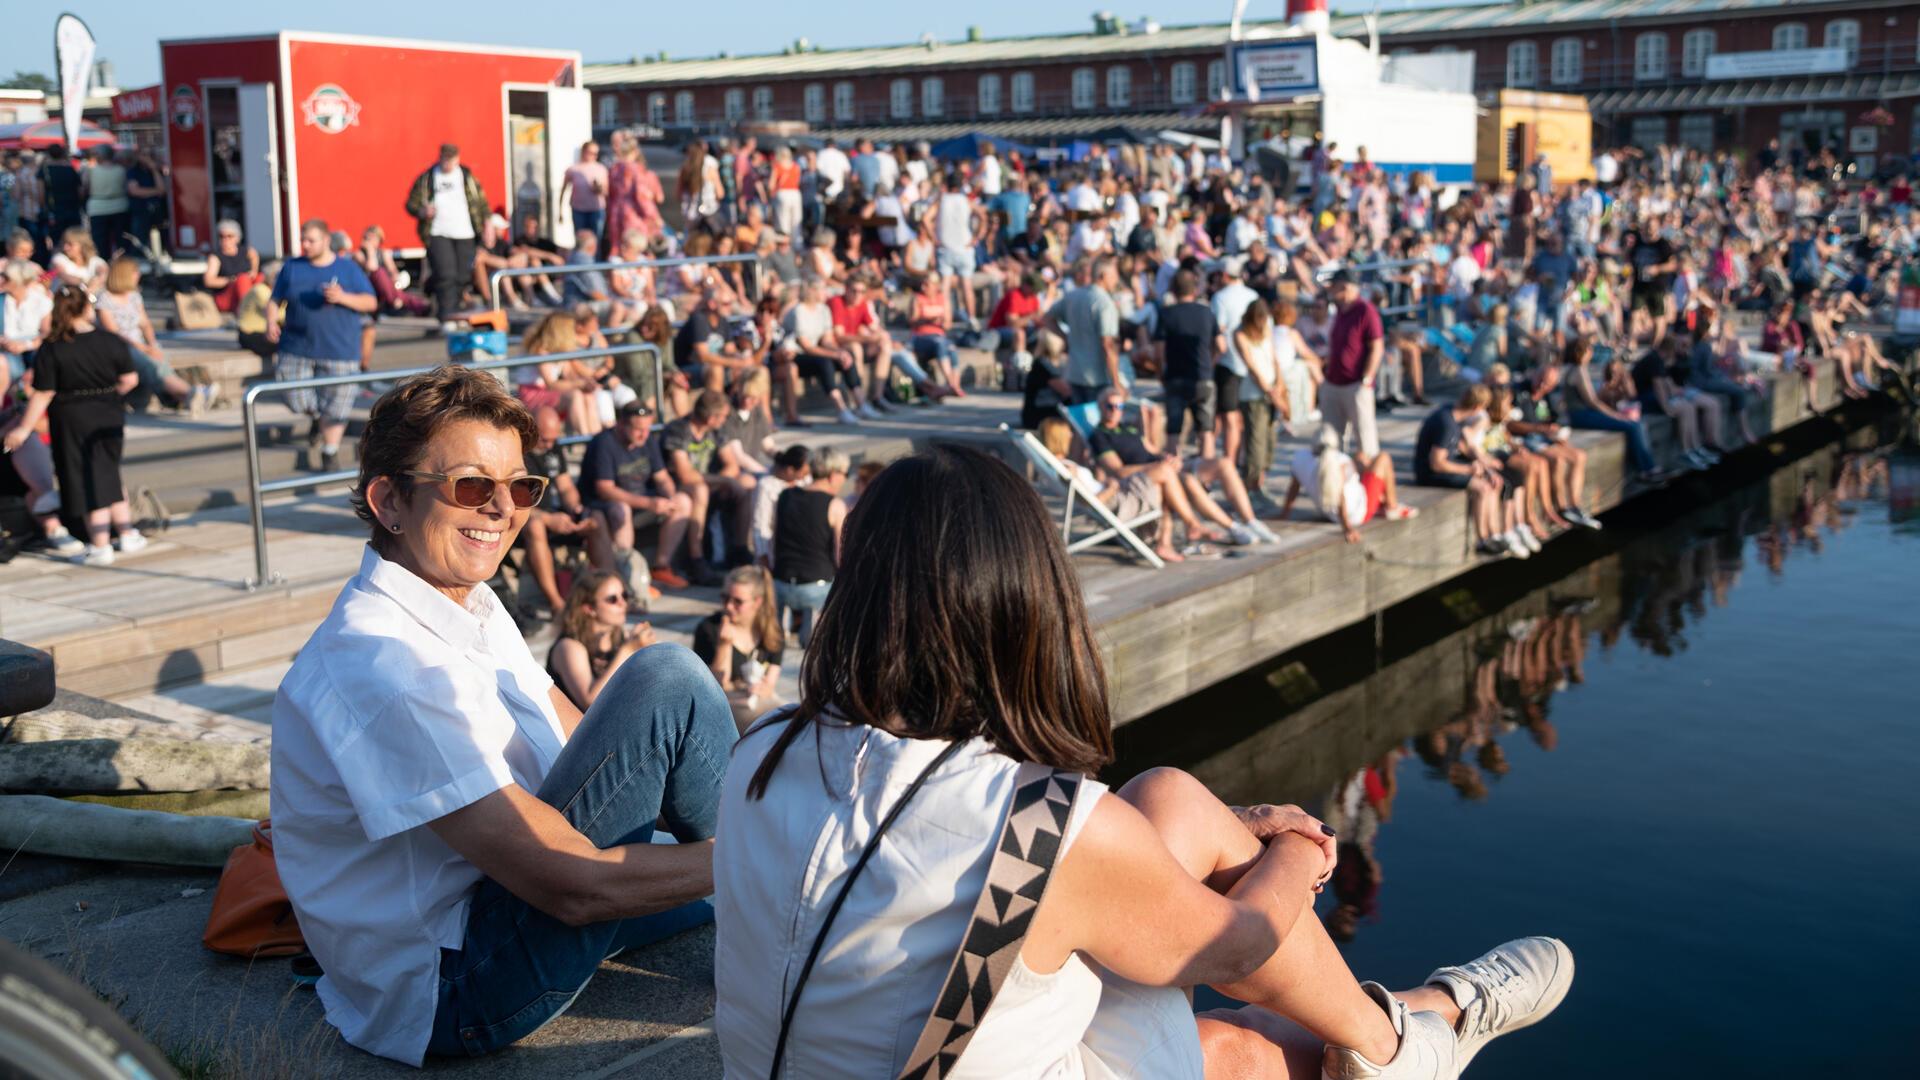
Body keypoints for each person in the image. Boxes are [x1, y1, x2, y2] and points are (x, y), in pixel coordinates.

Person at [715, 444, 1574, 1079]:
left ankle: (1410, 1035)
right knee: (1240, 1050)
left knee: (1161, 800)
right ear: (1022, 603)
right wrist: (1296, 848)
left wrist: (1207, 832)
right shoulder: (1039, 823)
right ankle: (1417, 1034)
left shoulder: (760, 750)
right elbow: (1242, 948)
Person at [271, 366, 730, 1066]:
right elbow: (570, 887)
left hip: (511, 897)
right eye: (471, 485)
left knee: (684, 717)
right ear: (388, 499)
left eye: (520, 487)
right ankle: (803, 910)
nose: (502, 509)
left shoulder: (468, 600)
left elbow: (590, 747)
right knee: (666, 676)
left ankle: (798, 903)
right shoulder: (381, 665)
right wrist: (761, 852)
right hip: (457, 981)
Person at [2, 286, 144, 566]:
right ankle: (127, 534)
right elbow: (130, 380)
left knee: (84, 479)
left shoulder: (54, 347)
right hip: (109, 412)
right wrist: (108, 394)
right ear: (86, 308)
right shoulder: (110, 340)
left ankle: (100, 544)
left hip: (71, 416)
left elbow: (43, 393)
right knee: (108, 472)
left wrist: (23, 428)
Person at [268, 219, 378, 473]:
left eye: (311, 240)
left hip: (340, 348)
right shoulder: (292, 267)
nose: (305, 245)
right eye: (303, 240)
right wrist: (270, 321)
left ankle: (330, 451)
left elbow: (371, 303)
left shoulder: (348, 269)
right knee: (295, 398)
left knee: (337, 405)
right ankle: (318, 418)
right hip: (296, 347)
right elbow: (275, 299)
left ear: (326, 240)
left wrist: (342, 297)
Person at [578, 399, 696, 591]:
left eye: (648, 428)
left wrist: (670, 497)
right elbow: (605, 489)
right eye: (638, 429)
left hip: (642, 502)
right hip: (606, 505)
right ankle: (627, 578)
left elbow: (662, 477)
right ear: (621, 424)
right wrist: (648, 503)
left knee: (682, 501)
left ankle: (661, 567)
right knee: (621, 509)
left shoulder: (647, 439)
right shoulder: (603, 443)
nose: (644, 434)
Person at [519, 405, 619, 618]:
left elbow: (565, 487)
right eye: (544, 439)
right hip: (526, 517)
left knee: (595, 518)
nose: (549, 444)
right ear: (530, 429)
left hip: (550, 512)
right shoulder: (517, 452)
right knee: (536, 526)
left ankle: (612, 590)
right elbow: (515, 505)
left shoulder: (553, 446)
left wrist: (577, 509)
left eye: (553, 439)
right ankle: (557, 603)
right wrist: (548, 518)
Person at [94, 256, 208, 414]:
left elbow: (145, 324)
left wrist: (152, 344)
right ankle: (188, 393)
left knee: (158, 357)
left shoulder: (134, 296)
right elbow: (114, 333)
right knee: (146, 361)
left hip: (137, 343)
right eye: (135, 273)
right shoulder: (104, 298)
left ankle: (183, 396)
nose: (138, 276)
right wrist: (145, 348)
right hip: (118, 346)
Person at [1414, 386, 1515, 556]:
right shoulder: (1446, 424)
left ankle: (1494, 534)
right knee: (1482, 488)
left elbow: (1466, 446)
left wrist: (1486, 468)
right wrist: (1468, 469)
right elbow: (1436, 463)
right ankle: (1482, 540)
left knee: (1493, 483)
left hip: (1447, 464)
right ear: (1477, 407)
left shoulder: (1455, 415)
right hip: (1429, 474)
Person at [1283, 424, 1417, 544]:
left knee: (1360, 458)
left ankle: (1381, 499)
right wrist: (1347, 528)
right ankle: (1391, 507)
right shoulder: (1339, 461)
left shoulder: (1301, 458)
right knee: (1383, 458)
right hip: (1358, 513)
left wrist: (1285, 513)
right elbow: (1339, 494)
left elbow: (1294, 488)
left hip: (1329, 514)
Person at [405, 143, 488, 332]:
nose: (448, 164)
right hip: (438, 232)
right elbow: (411, 204)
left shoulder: (467, 177)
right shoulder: (428, 178)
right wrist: (422, 211)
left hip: (465, 231)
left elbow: (482, 203)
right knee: (445, 274)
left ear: (457, 159)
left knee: (463, 275)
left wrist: (487, 224)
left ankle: (456, 310)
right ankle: (446, 315)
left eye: (451, 160)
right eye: (445, 159)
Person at [548, 569, 656, 711]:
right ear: (589, 608)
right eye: (612, 599)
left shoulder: (620, 637)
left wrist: (645, 652)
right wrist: (628, 650)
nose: (623, 603)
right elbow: (590, 702)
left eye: (624, 595)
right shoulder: (569, 647)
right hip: (577, 729)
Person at [658, 389, 736, 585]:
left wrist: (720, 480)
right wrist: (720, 480)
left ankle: (740, 550)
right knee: (700, 489)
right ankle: (696, 558)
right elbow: (685, 475)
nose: (725, 420)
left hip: (707, 482)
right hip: (678, 487)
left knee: (746, 485)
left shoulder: (716, 430)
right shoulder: (678, 430)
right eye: (723, 417)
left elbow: (732, 466)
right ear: (711, 418)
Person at [694, 565, 786, 731]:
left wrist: (763, 688)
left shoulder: (772, 632)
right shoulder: (709, 629)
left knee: (791, 715)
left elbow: (770, 684)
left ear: (757, 602)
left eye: (738, 601)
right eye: (725, 598)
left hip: (758, 702)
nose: (729, 606)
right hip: (722, 707)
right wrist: (724, 645)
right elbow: (714, 689)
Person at [771, 446, 846, 647]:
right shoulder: (835, 505)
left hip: (780, 582)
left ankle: (786, 626)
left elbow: (774, 541)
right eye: (845, 474)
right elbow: (840, 556)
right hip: (816, 587)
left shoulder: (785, 496)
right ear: (834, 474)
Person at [1562, 337, 1661, 481]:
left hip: (1578, 415)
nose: (1591, 353)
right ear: (1584, 352)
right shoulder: (1578, 371)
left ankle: (1647, 468)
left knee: (1635, 425)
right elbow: (1593, 402)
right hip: (1583, 415)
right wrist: (1615, 415)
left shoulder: (1570, 370)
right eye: (1590, 350)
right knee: (1633, 426)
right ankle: (1647, 469)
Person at [1156, 269, 1221, 458]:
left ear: (1173, 291)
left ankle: (1173, 474)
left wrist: (1161, 372)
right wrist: (1211, 361)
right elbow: (1221, 345)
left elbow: (1159, 350)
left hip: (1175, 377)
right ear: (1194, 290)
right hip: (1203, 376)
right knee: (1206, 431)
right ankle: (1205, 477)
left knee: (1173, 431)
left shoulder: (1167, 314)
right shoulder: (1206, 313)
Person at [1321, 270, 1383, 461]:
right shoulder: (1340, 311)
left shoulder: (1365, 310)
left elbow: (1377, 347)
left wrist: (1366, 378)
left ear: (1346, 287)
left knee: (1365, 437)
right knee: (1331, 438)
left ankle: (1369, 483)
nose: (1330, 290)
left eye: (1334, 286)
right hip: (1334, 381)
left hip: (1356, 383)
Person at [1046, 255, 1124, 404]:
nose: (1116, 281)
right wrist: (1116, 382)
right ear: (1103, 276)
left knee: (1079, 421)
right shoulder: (1105, 303)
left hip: (1074, 372)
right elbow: (1108, 345)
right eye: (1114, 276)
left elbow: (1047, 318)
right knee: (1095, 422)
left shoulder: (1074, 296)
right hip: (1096, 376)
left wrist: (1066, 337)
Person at [751, 444, 808, 569]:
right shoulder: (767, 486)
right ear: (789, 470)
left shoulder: (804, 482)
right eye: (802, 474)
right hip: (774, 551)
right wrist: (763, 556)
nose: (805, 477)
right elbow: (761, 525)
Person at [202, 219, 263, 312]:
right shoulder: (215, 257)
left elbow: (255, 256)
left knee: (259, 277)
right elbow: (209, 281)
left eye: (229, 236)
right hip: (225, 297)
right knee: (242, 279)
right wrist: (230, 280)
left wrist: (254, 271)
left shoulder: (245, 251)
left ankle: (263, 307)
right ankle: (247, 310)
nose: (225, 239)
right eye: (222, 236)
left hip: (244, 289)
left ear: (237, 238)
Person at [81, 146, 131, 259]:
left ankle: (104, 264)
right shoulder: (121, 170)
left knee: (100, 242)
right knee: (121, 240)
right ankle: (122, 265)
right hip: (120, 206)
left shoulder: (91, 170)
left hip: (97, 208)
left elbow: (84, 188)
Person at [559, 141, 608, 243]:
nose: (593, 156)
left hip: (596, 210)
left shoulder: (601, 169)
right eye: (590, 152)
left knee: (595, 241)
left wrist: (598, 189)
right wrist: (560, 211)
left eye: (595, 153)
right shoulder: (573, 169)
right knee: (580, 241)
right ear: (583, 152)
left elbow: (606, 192)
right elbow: (563, 189)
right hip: (578, 210)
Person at [50, 228, 106, 293]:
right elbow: (62, 274)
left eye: (70, 244)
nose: (65, 247)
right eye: (64, 243)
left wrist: (96, 282)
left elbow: (104, 272)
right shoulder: (59, 258)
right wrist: (84, 283)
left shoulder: (95, 260)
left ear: (82, 245)